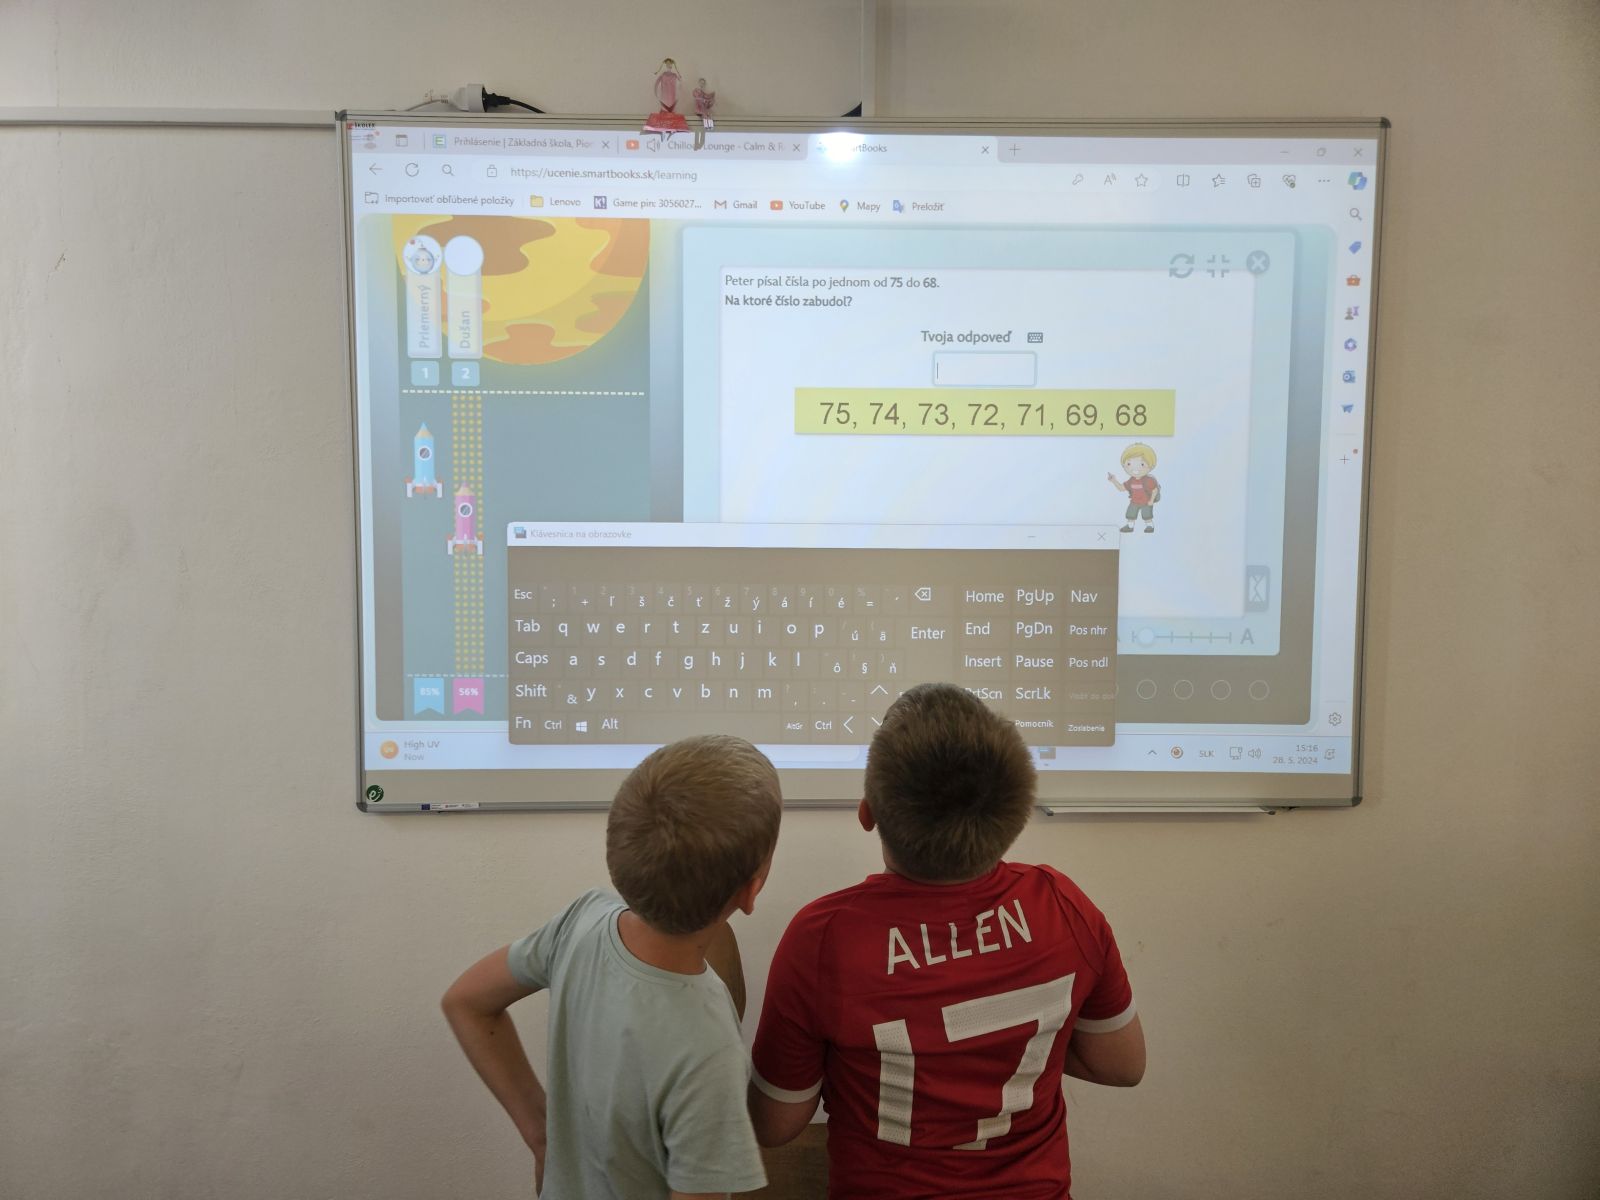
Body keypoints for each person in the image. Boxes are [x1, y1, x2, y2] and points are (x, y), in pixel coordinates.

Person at [748, 684, 1144, 1199]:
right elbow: (1123, 1064)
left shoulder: (822, 939)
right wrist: (1011, 1045)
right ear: (1014, 816)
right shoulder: (1062, 907)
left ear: (868, 813)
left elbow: (774, 1125)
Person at [442, 734, 782, 1199]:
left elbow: (465, 1001)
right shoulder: (710, 1048)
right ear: (751, 891)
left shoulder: (582, 921)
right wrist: (542, 1135)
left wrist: (541, 1135)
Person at [1106, 443, 1161, 533]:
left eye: (1142, 464)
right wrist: (1114, 480)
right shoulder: (1131, 480)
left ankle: (1150, 526)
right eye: (1129, 464)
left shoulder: (1148, 480)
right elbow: (1121, 488)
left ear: (1151, 466)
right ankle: (1130, 527)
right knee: (1130, 515)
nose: (1135, 468)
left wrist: (1151, 500)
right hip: (1134, 502)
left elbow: (1154, 490)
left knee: (1147, 516)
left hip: (1146, 502)